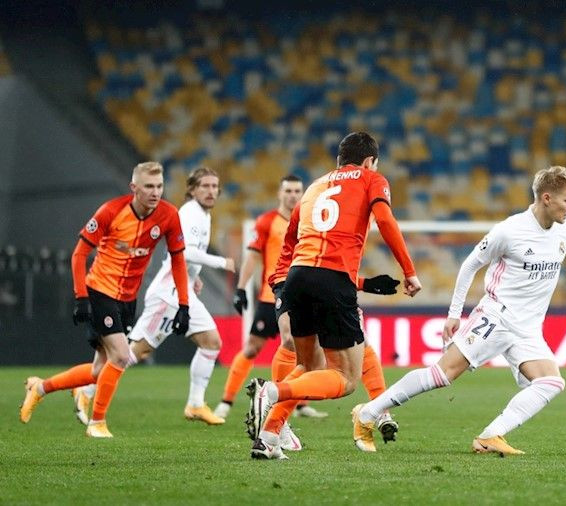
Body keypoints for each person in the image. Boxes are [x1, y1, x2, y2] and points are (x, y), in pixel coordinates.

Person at [352, 166, 566, 454]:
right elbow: (470, 265)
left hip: (528, 328)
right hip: (496, 317)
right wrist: (454, 314)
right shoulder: (510, 231)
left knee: (551, 382)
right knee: (441, 375)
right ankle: (368, 413)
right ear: (547, 198)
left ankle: (491, 436)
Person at [246, 131, 421, 460]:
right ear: (369, 161)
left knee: (308, 365)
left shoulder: (314, 187)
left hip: (297, 277)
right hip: (333, 280)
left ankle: (268, 437)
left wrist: (281, 289)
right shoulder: (372, 179)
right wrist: (409, 271)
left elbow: (289, 245)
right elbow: (385, 219)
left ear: (340, 160)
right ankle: (272, 390)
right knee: (345, 378)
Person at [19, 162, 190, 437]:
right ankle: (97, 423)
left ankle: (39, 387)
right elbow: (79, 254)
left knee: (100, 370)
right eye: (149, 186)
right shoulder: (111, 211)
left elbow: (178, 260)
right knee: (122, 356)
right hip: (100, 291)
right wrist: (81, 298)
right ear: (134, 188)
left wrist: (184, 304)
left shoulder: (169, 215)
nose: (155, 192)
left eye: (159, 186)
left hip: (128, 299)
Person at [71, 167, 237, 427]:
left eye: (215, 186)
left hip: (183, 291)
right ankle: (87, 390)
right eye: (205, 186)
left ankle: (195, 404)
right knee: (132, 353)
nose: (211, 191)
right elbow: (184, 253)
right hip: (167, 294)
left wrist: (194, 276)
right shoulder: (189, 213)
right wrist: (221, 262)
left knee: (211, 342)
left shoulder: (204, 215)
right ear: (192, 190)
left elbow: (184, 257)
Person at [213, 175, 326, 421]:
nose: (293, 195)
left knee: (302, 350)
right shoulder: (267, 221)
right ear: (279, 193)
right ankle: (226, 401)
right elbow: (252, 257)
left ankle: (298, 404)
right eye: (288, 191)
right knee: (253, 348)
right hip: (270, 295)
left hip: (302, 296)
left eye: (297, 191)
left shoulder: (311, 220)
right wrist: (241, 288)